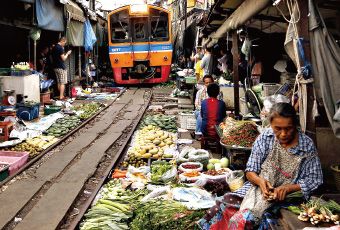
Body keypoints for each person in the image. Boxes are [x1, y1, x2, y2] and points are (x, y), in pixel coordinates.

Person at [199, 102, 323, 229]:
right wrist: (260, 182)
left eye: (288, 128)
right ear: (270, 124)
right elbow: (250, 171)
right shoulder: (266, 137)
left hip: (289, 199)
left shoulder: (306, 145)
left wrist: (288, 189)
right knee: (223, 204)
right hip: (259, 188)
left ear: (295, 125)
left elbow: (315, 180)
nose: (283, 134)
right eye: (278, 128)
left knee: (254, 220)